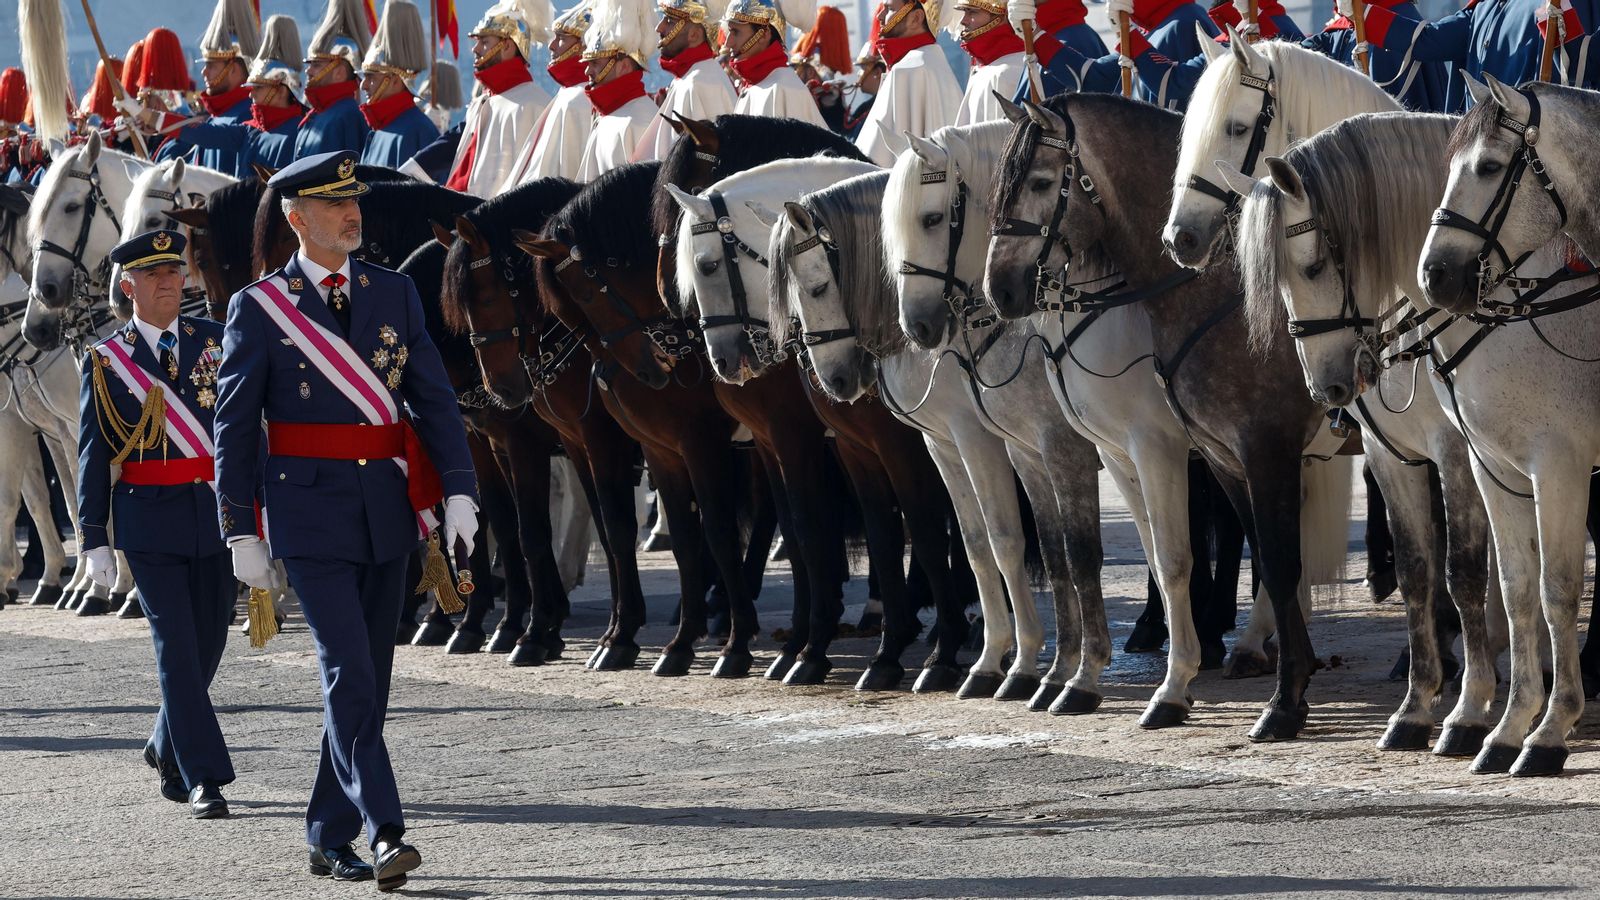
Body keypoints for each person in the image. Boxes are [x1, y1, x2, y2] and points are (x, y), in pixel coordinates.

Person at [213, 151, 479, 891]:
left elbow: (432, 399)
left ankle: (327, 834)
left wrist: (459, 489)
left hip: (387, 509)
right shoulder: (258, 308)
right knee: (348, 670)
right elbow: (234, 431)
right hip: (308, 512)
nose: (352, 213)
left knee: (370, 684)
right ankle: (386, 829)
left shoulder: (393, 294)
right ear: (297, 218)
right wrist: (240, 530)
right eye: (333, 205)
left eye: (354, 200)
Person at [77, 230, 235, 820]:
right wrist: (93, 536)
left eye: (174, 272)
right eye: (153, 275)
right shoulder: (108, 360)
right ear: (128, 286)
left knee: (210, 642)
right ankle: (203, 777)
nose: (170, 282)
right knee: (175, 646)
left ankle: (165, 742)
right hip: (149, 521)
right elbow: (94, 453)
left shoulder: (217, 341)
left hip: (215, 515)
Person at [143, 16, 307, 173]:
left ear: (280, 91)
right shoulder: (250, 130)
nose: (251, 95)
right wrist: (149, 116)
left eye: (258, 88)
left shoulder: (300, 132)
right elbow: (202, 133)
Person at [446, 0, 555, 196]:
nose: (475, 49)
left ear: (506, 47)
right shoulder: (484, 101)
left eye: (485, 42)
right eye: (477, 41)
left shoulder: (533, 105)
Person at [154, 0, 260, 175]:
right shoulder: (217, 116)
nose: (204, 71)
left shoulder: (246, 115)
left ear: (233, 69)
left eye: (211, 65)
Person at [855, 0, 961, 165]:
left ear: (916, 18)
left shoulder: (911, 68)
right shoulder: (926, 60)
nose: (880, 16)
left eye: (889, 9)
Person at [507, 1, 598, 185]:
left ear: (583, 45)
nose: (552, 45)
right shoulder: (567, 93)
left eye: (562, 38)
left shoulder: (580, 99)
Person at [635, 0, 738, 162]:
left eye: (669, 20)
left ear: (694, 35)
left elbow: (705, 166)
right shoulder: (689, 78)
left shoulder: (700, 82)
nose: (659, 28)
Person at [575, 0, 658, 180]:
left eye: (595, 63)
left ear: (624, 66)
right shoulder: (609, 116)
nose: (587, 71)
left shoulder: (639, 121)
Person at [358, 0, 441, 167]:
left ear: (395, 81)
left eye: (371, 77)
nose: (363, 85)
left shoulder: (420, 131)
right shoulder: (377, 130)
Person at [723, 0, 829, 125]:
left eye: (735, 32)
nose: (727, 43)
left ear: (764, 35)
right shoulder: (752, 85)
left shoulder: (786, 89)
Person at [297, 0, 374, 158]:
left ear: (339, 72)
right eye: (310, 64)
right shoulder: (313, 116)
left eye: (316, 65)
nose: (308, 70)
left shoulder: (349, 116)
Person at [953, 0, 1030, 125]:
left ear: (1001, 17)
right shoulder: (985, 67)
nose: (963, 21)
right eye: (965, 12)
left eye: (972, 12)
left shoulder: (1009, 71)